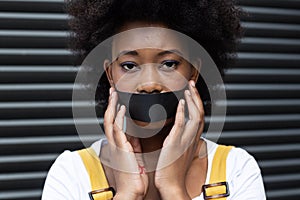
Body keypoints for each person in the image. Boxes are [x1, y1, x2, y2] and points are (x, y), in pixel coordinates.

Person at [42, 0, 266, 200]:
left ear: (194, 72)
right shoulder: (72, 173)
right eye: (129, 66)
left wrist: (173, 188)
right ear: (110, 74)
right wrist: (128, 193)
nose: (149, 84)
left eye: (169, 64)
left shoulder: (236, 169)